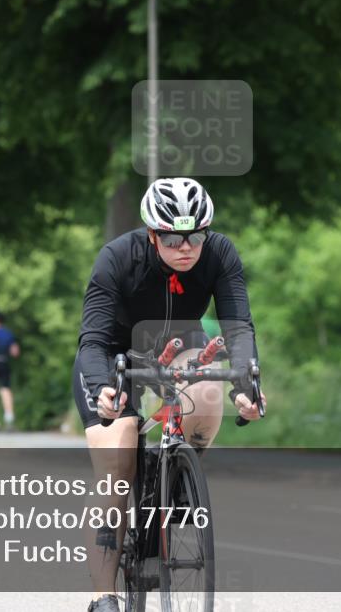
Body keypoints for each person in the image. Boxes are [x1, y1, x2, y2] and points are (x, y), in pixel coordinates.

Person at [73, 177, 267, 612]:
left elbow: (238, 327)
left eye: (195, 235)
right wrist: (104, 390)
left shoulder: (219, 254)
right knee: (118, 461)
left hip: (181, 348)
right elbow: (92, 341)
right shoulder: (117, 258)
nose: (186, 247)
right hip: (115, 356)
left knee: (209, 389)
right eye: (174, 238)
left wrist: (246, 387)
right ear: (151, 234)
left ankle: (178, 479)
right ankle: (104, 596)